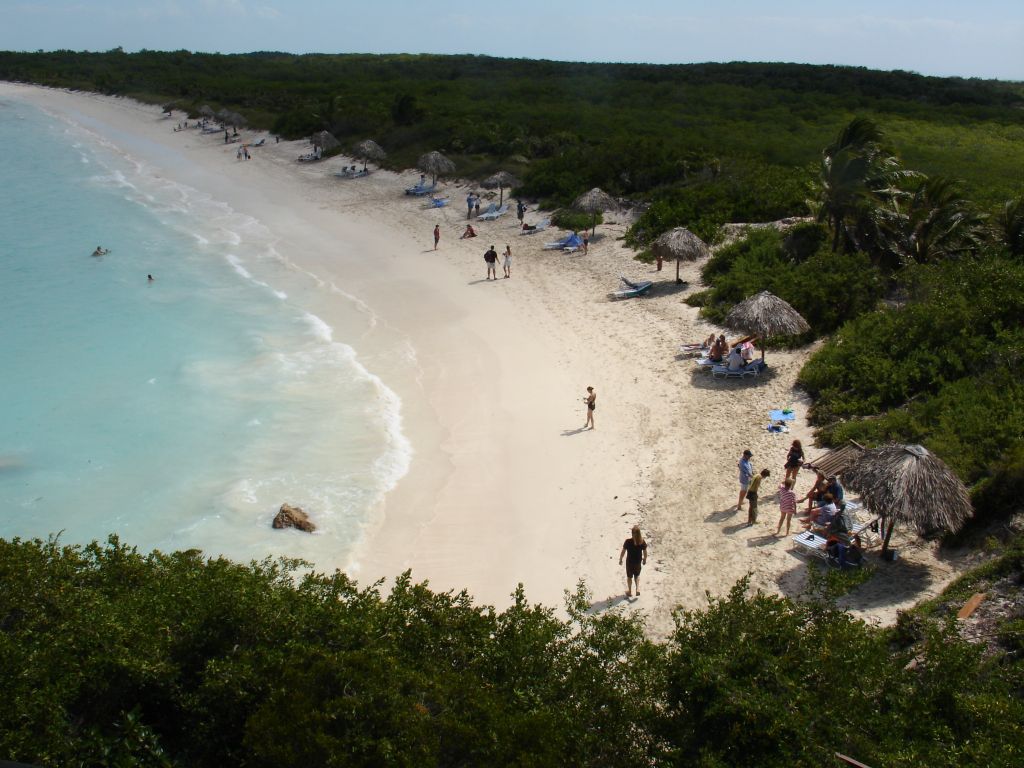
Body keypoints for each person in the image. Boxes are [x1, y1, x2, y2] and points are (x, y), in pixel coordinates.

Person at [619, 526, 647, 597]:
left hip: (629, 562)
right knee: (637, 575)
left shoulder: (628, 542)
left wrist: (620, 559)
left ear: (632, 533)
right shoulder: (642, 542)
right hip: (637, 562)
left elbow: (623, 551)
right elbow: (645, 552)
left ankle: (630, 591)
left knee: (629, 577)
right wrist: (644, 559)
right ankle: (637, 589)